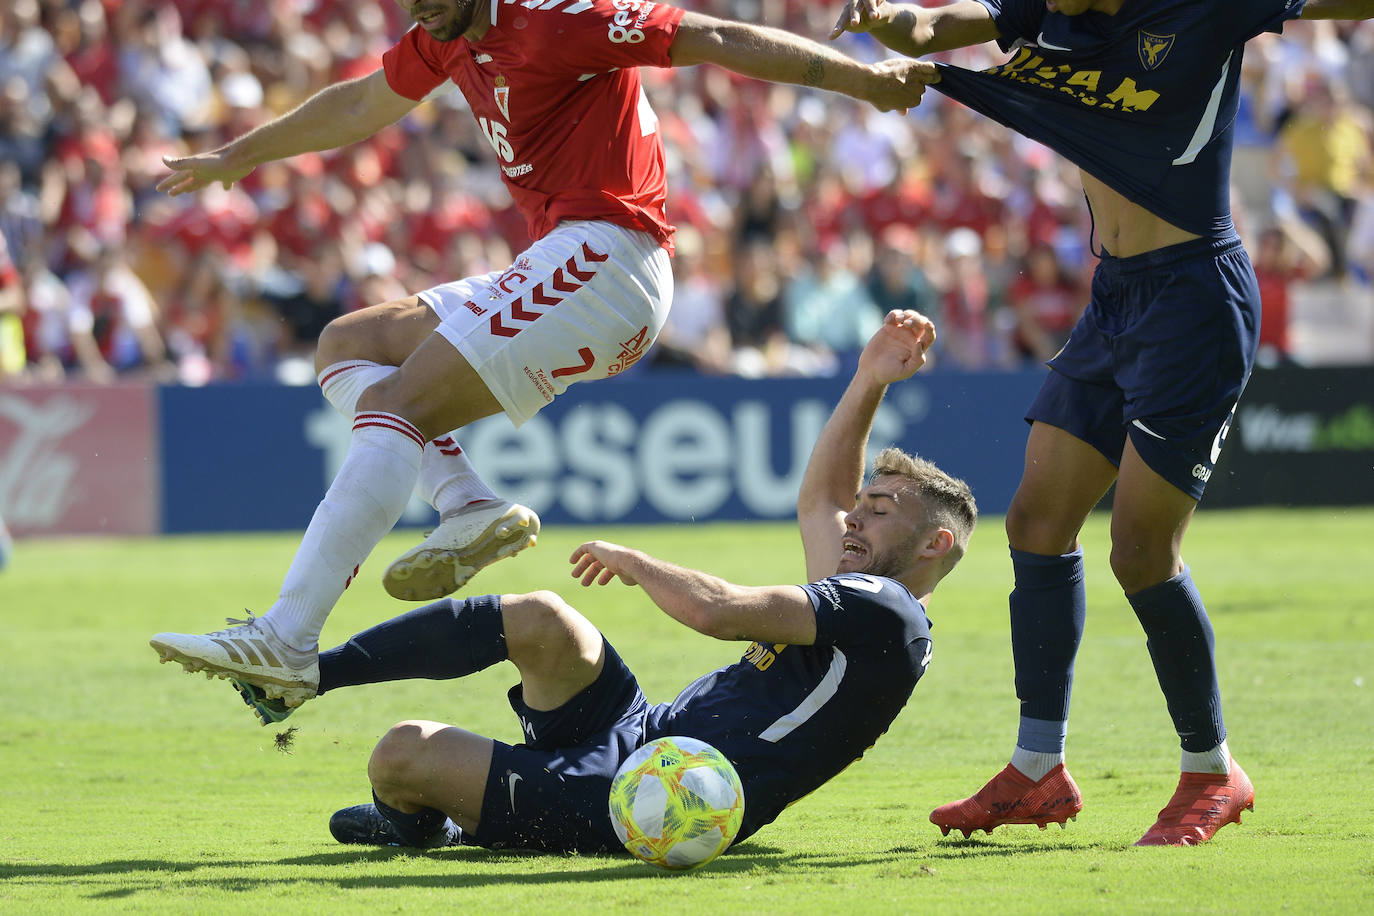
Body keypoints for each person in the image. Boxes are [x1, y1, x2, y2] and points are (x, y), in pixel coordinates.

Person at [149, 0, 935, 709]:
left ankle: (287, 637)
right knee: (348, 346)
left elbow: (717, 35)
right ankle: (468, 504)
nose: (418, 7)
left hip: (609, 259)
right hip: (570, 257)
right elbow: (362, 101)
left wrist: (864, 83)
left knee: (397, 408)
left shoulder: (563, 17)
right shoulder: (445, 31)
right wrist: (241, 156)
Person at [832, 0, 1373, 847]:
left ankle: (1211, 769)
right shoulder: (1043, 11)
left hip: (1197, 299)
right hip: (1116, 295)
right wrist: (883, 18)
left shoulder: (1202, 11)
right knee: (1037, 524)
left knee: (1140, 552)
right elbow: (931, 29)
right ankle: (1038, 767)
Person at [237, 310, 976, 858]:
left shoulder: (889, 612)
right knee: (543, 618)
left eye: (878, 513)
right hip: (640, 736)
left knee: (400, 753)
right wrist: (868, 378)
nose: (854, 522)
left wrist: (638, 561)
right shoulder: (863, 607)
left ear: (934, 545)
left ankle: (418, 818)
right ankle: (308, 674)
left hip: (646, 803)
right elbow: (821, 501)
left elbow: (719, 612)